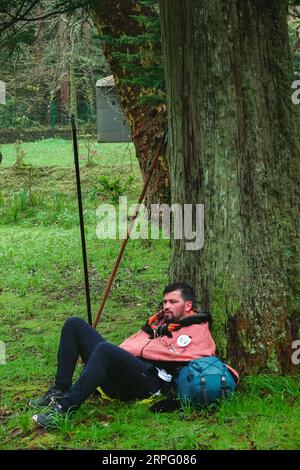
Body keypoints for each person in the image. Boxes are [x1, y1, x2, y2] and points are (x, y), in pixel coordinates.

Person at [30, 282, 216, 427]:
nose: (166, 306)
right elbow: (136, 344)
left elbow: (202, 356)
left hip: (149, 382)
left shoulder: (197, 328)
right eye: (165, 301)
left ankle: (62, 410)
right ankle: (59, 390)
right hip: (128, 371)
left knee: (104, 349)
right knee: (74, 324)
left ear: (188, 305)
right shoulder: (158, 323)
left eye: (173, 302)